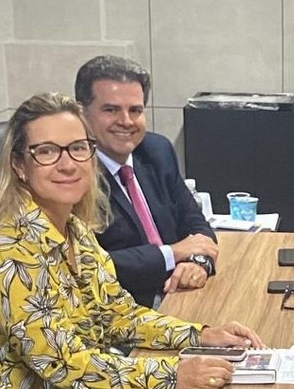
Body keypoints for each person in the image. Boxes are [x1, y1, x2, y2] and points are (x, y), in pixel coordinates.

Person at [0, 93, 265, 389]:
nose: (68, 164)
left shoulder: (74, 230)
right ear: (19, 165)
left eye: (78, 148)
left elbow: (118, 316)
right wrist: (173, 373)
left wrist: (200, 335)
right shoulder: (8, 248)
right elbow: (63, 364)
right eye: (47, 151)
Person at [75, 55, 218, 308]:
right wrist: (173, 254)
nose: (126, 121)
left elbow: (196, 224)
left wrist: (198, 262)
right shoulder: (72, 175)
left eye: (135, 110)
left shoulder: (156, 151)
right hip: (121, 310)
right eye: (111, 110)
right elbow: (87, 265)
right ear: (81, 113)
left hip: (181, 296)